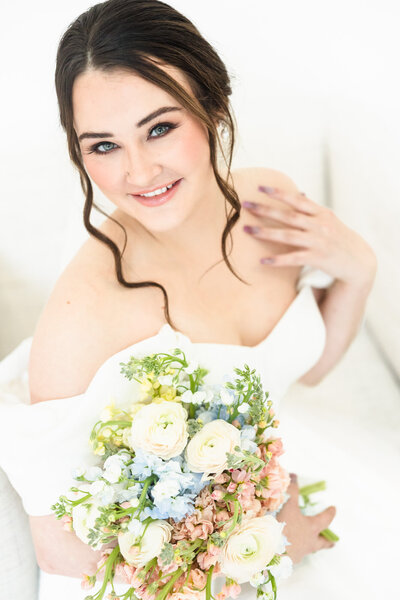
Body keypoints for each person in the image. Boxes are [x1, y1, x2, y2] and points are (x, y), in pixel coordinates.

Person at [0, 0, 377, 599]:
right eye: (103, 146)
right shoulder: (86, 312)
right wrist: (264, 547)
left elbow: (307, 367)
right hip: (152, 583)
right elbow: (60, 547)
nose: (139, 171)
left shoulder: (268, 202)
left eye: (159, 128)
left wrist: (357, 271)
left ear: (214, 105)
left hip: (275, 501)